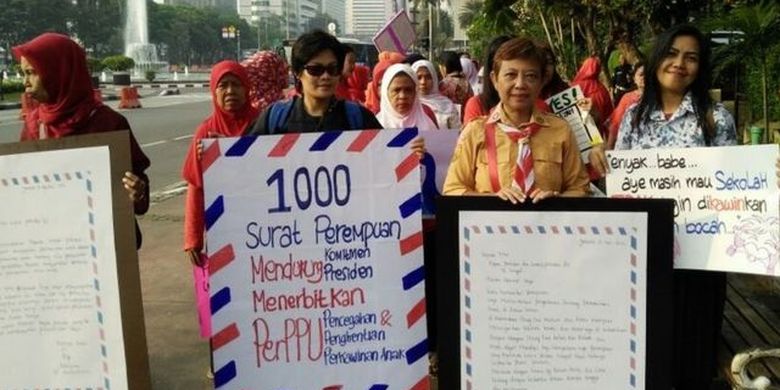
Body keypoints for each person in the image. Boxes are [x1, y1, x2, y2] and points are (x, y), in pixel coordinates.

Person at [592, 25, 737, 390]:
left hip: (701, 258)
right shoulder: (634, 116)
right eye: (672, 54)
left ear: (700, 67)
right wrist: (603, 167)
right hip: (645, 256)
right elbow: (619, 185)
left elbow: (735, 187)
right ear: (657, 59)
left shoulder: (716, 119)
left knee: (694, 352)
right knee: (646, 349)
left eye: (691, 57)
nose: (679, 64)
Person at [14, 33, 149, 249]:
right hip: (56, 250)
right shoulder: (34, 124)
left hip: (107, 247)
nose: (25, 83)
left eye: (31, 73)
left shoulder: (108, 123)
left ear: (59, 73)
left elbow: (138, 185)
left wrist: (137, 192)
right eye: (23, 73)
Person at [443, 37, 590, 202]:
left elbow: (580, 188)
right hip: (491, 226)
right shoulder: (475, 131)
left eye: (531, 76)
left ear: (542, 81)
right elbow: (453, 190)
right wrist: (492, 201)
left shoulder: (561, 130)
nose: (520, 84)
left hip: (548, 226)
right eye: (511, 75)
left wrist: (557, 200)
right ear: (494, 79)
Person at [246, 31, 383, 134]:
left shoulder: (359, 118)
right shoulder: (275, 118)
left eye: (332, 69)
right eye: (315, 70)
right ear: (298, 73)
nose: (325, 76)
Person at [463, 35, 513, 125]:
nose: (519, 83)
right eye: (510, 74)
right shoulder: (477, 105)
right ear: (493, 76)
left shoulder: (539, 108)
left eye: (529, 75)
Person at [376, 63, 439, 130]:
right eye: (396, 90)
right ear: (386, 93)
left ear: (415, 92)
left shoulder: (428, 124)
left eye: (408, 90)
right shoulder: (375, 126)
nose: (402, 96)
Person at [571, 56, 613, 139]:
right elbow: (609, 118)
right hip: (596, 135)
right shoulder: (602, 90)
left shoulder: (573, 87)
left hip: (577, 134)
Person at [411, 60, 461, 129]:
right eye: (419, 77)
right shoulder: (408, 104)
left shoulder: (446, 105)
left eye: (428, 77)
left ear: (434, 79)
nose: (423, 82)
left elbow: (457, 132)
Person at [605, 61, 644, 149]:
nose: (644, 78)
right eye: (641, 75)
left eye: (648, 75)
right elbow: (616, 124)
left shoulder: (660, 98)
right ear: (634, 79)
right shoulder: (627, 98)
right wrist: (609, 148)